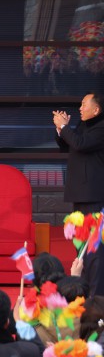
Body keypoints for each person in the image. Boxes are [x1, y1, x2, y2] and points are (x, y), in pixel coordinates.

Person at [54, 93, 104, 294]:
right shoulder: (85, 125)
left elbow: (80, 144)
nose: (80, 108)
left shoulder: (101, 127)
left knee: (94, 247)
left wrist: (65, 128)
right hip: (80, 193)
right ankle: (83, 289)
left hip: (93, 194)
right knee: (81, 243)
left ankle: (96, 294)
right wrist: (61, 129)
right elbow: (68, 144)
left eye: (84, 104)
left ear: (96, 110)